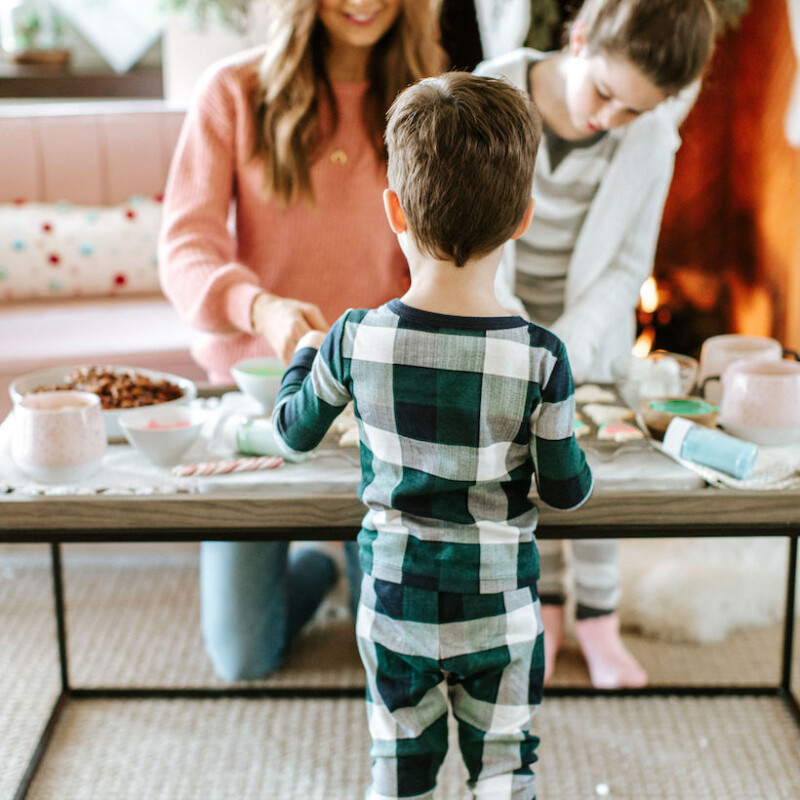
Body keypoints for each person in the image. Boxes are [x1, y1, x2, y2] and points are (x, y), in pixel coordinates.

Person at [261, 73, 593, 800]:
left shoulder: (353, 339)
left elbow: (291, 434)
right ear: (523, 219)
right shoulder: (542, 356)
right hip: (498, 610)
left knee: (400, 769)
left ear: (393, 212)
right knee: (506, 767)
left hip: (394, 604)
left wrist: (301, 353)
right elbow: (567, 493)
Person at [158, 0, 445, 682]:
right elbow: (185, 247)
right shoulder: (232, 91)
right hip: (258, 393)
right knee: (243, 657)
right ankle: (317, 565)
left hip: (381, 403)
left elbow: (440, 257)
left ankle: (350, 558)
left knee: (397, 652)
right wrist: (262, 309)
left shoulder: (431, 99)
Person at [476, 0, 716, 688]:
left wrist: (565, 344)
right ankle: (545, 610)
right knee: (524, 468)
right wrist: (521, 335)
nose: (609, 119)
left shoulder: (650, 139)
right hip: (502, 314)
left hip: (591, 334)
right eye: (605, 94)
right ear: (578, 39)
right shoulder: (492, 91)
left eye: (633, 111)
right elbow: (470, 228)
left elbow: (626, 266)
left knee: (592, 467)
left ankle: (598, 621)